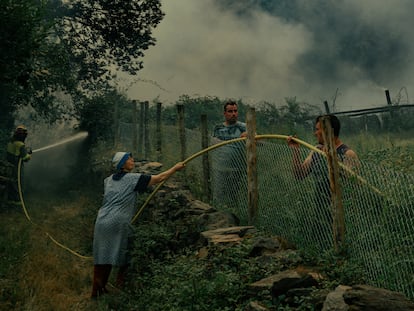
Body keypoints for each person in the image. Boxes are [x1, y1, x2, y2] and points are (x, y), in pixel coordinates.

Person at [91, 152, 185, 298]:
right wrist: (175, 168)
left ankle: (97, 291)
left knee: (102, 255)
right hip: (119, 222)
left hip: (102, 220)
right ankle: (120, 288)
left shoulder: (108, 180)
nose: (132, 160)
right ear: (122, 164)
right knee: (125, 254)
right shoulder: (132, 179)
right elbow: (159, 178)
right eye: (128, 159)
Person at [287, 114, 359, 248]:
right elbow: (299, 174)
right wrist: (295, 151)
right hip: (320, 213)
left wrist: (332, 161)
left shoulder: (347, 154)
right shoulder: (316, 151)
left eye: (317, 129)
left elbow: (353, 187)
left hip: (341, 215)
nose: (315, 133)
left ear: (328, 131)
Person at [211, 100, 247, 212]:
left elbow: (258, 140)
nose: (233, 114)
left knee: (233, 196)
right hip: (220, 168)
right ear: (225, 113)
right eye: (230, 111)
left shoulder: (243, 127)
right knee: (219, 195)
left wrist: (250, 136)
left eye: (235, 111)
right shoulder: (218, 128)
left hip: (237, 169)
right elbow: (213, 144)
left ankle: (233, 218)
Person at [6, 125, 32, 203]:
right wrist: (29, 154)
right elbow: (25, 158)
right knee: (19, 183)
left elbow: (14, 153)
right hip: (17, 167)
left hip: (9, 166)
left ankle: (10, 200)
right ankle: (18, 202)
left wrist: (24, 151)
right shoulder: (20, 144)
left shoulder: (11, 142)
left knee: (11, 183)